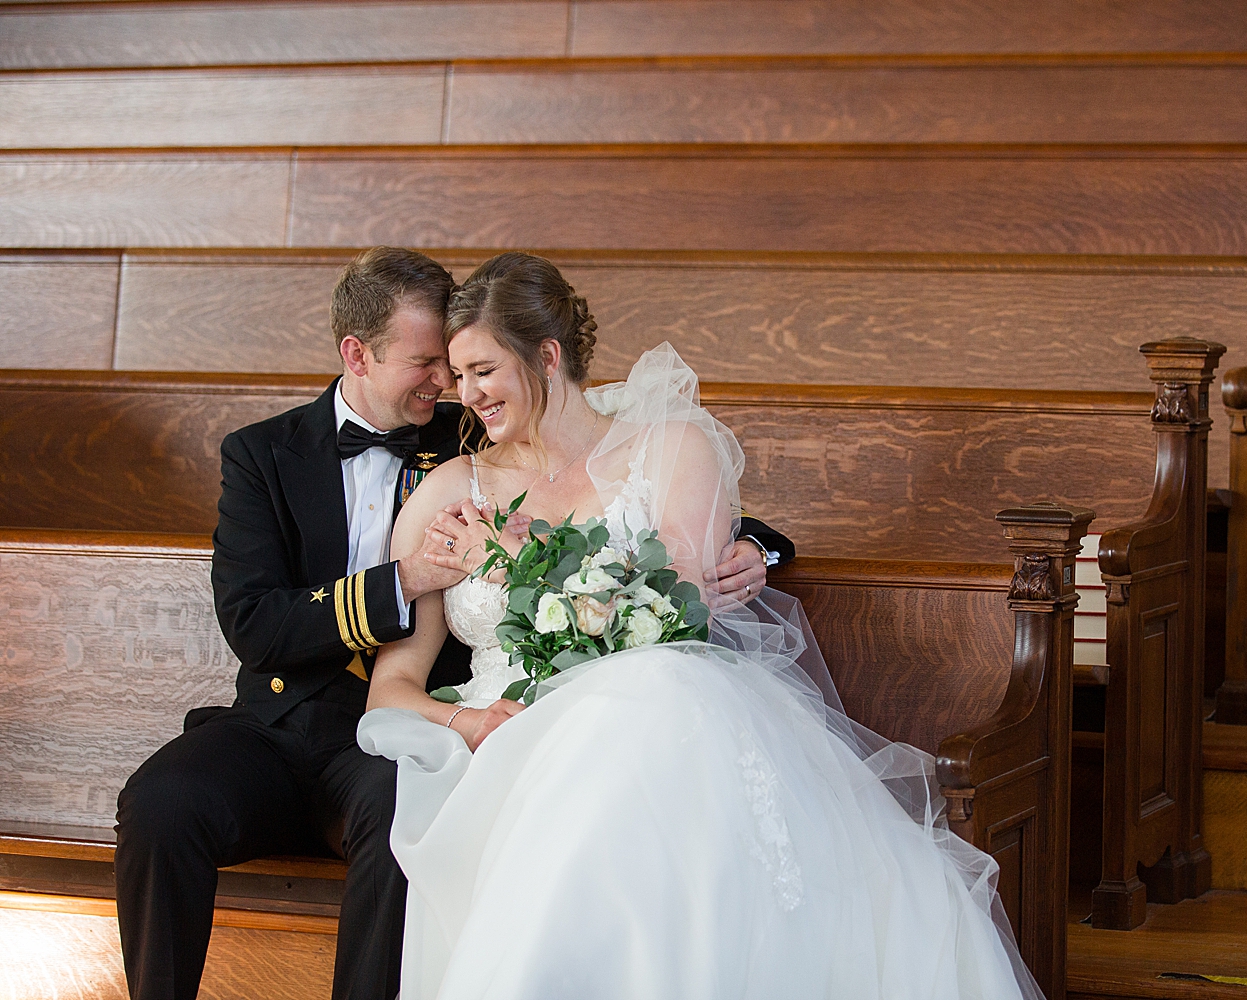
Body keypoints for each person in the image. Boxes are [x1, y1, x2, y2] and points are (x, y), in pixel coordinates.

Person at [359, 253, 1041, 1000]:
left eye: (482, 371)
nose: (465, 395)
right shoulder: (450, 494)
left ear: (547, 357)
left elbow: (675, 618)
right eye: (458, 376)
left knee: (647, 715)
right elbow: (390, 687)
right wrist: (469, 721)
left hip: (656, 710)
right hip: (503, 737)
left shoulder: (673, 450)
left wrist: (518, 559)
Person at [113, 246, 779, 1000]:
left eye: (460, 368)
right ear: (356, 354)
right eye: (428, 363)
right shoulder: (265, 455)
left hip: (404, 740)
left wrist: (760, 544)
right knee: (160, 803)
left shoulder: (472, 431)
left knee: (409, 811)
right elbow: (255, 624)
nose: (449, 386)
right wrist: (407, 580)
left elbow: (619, 487)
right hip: (281, 722)